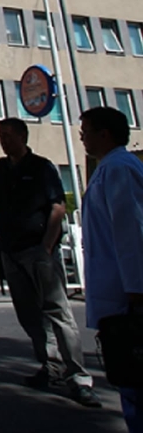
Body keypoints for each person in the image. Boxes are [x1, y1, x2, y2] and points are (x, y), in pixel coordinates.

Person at [0, 117, 98, 407]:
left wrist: (46, 247)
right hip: (11, 251)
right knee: (29, 314)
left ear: (22, 136)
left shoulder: (41, 168)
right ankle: (50, 365)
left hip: (37, 251)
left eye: (7, 135)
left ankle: (78, 377)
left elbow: (57, 207)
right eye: (0, 135)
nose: (3, 141)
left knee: (57, 311)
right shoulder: (2, 169)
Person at [80, 106, 143, 432]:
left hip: (126, 295)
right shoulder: (110, 167)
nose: (82, 138)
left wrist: (136, 289)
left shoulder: (119, 169)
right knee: (129, 377)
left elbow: (131, 232)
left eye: (86, 131)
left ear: (104, 134)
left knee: (134, 372)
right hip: (118, 290)